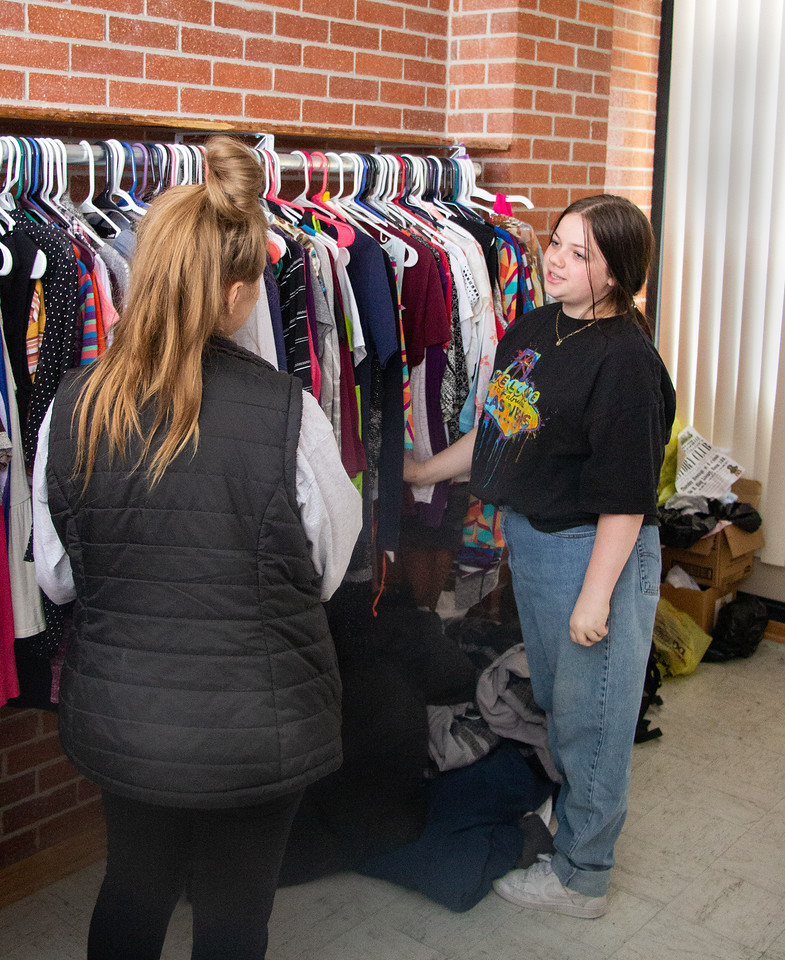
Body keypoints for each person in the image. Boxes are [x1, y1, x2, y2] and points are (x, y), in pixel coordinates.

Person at [31, 136, 362, 960]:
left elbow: (58, 576)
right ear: (241, 292)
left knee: (133, 890)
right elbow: (323, 569)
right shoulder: (291, 416)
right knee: (233, 915)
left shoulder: (73, 407)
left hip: (130, 720)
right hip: (259, 725)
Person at [404, 194, 676, 918]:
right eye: (556, 242)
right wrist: (423, 472)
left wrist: (595, 599)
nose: (554, 258)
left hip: (596, 554)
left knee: (594, 718)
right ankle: (575, 824)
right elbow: (500, 429)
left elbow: (626, 496)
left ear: (617, 275)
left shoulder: (624, 362)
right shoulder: (536, 325)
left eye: (579, 252)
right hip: (540, 544)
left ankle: (581, 875)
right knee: (560, 704)